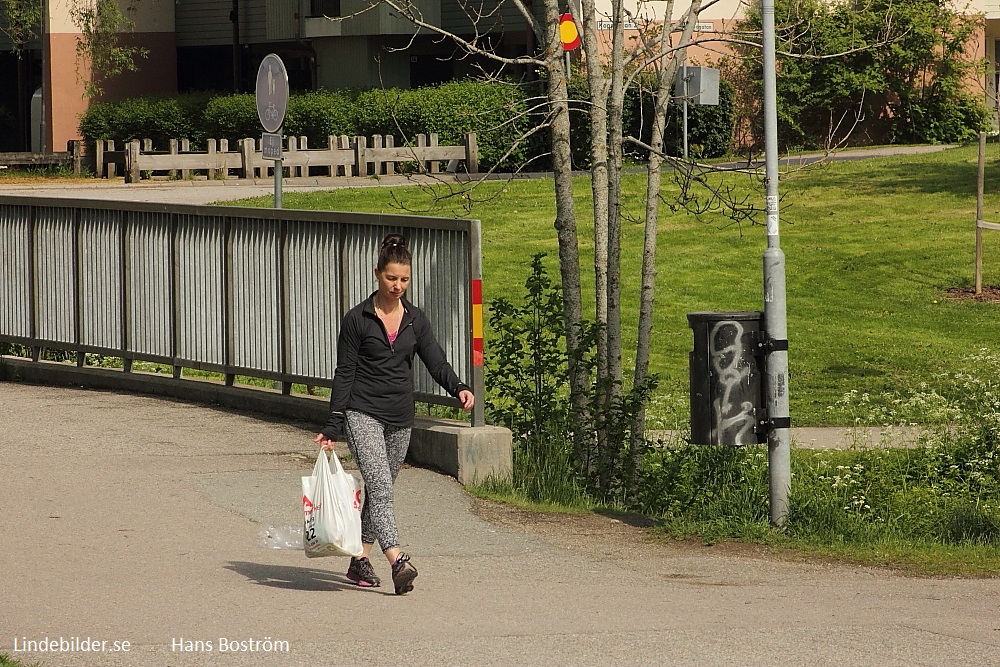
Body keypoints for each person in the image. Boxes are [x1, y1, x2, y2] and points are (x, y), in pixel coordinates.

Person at [314, 233, 475, 595]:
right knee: (382, 487)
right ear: (376, 274)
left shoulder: (415, 320)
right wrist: (333, 425)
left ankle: (359, 559)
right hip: (362, 413)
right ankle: (397, 560)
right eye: (391, 278)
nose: (398, 286)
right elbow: (345, 372)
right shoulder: (357, 319)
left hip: (400, 417)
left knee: (379, 490)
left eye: (404, 279)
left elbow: (436, 360)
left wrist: (459, 387)